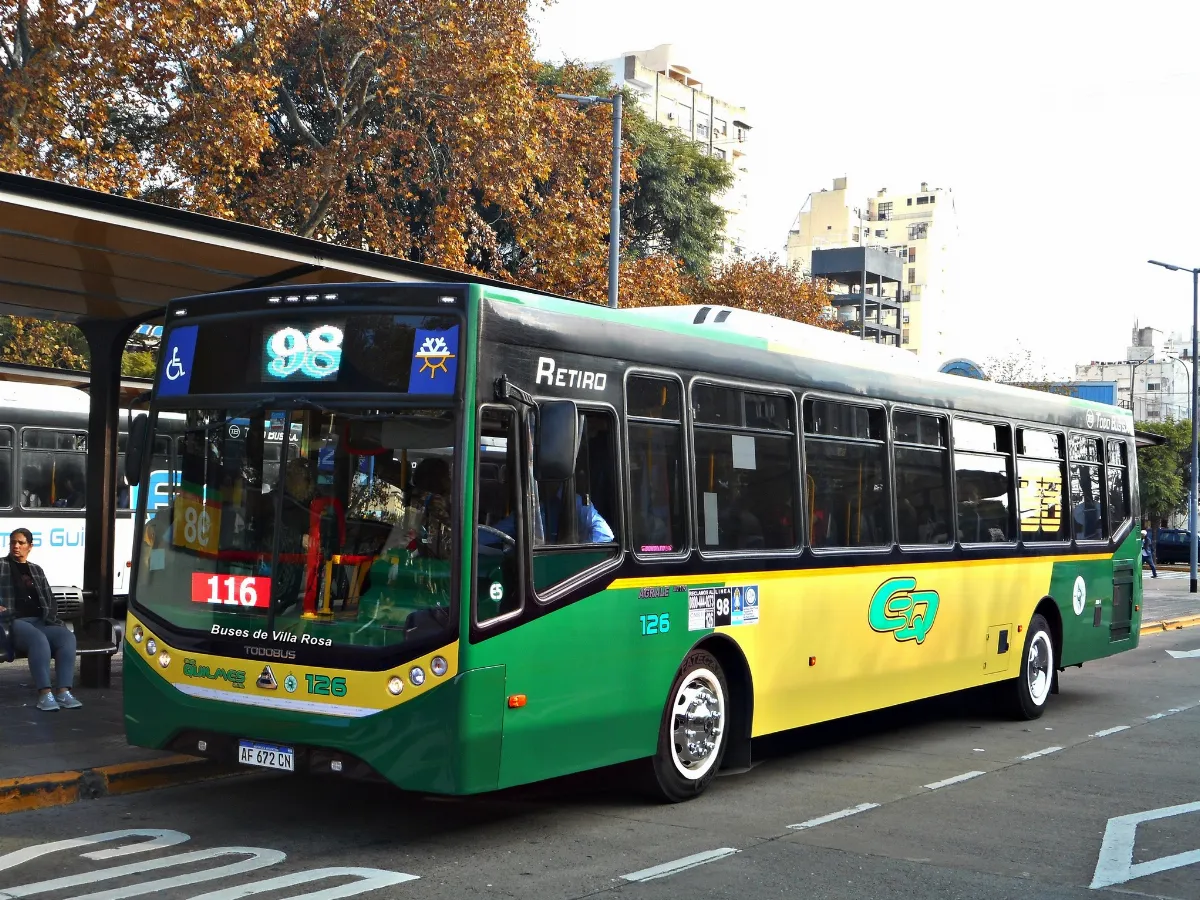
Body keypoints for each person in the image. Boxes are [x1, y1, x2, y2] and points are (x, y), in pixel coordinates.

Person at [0, 528, 81, 711]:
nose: (16, 546)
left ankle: (63, 692)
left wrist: (50, 617)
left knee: (67, 637)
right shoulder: (2, 565)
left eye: (21, 543)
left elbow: (50, 599)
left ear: (30, 546)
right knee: (38, 640)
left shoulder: (36, 570)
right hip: (12, 622)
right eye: (13, 542)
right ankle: (45, 694)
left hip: (39, 620)